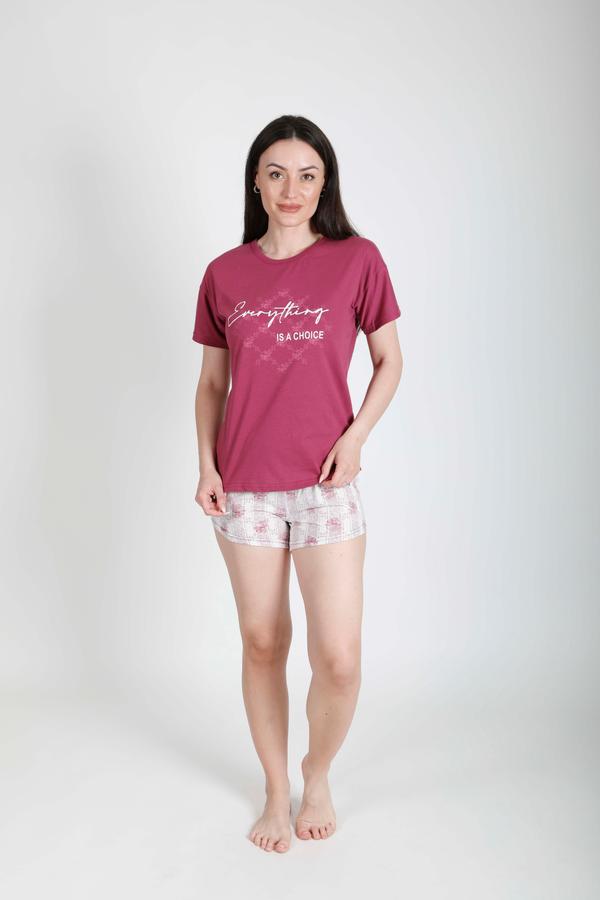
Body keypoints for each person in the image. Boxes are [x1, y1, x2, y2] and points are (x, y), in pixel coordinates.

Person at [192, 115, 403, 853]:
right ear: (256, 180)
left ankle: (317, 773)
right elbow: (212, 383)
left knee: (338, 658)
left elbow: (390, 362)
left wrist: (355, 438)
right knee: (262, 642)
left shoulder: (357, 260)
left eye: (308, 175)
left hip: (326, 484)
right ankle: (277, 791)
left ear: (325, 184)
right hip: (245, 486)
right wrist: (206, 464)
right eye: (276, 173)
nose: (292, 189)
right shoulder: (224, 273)